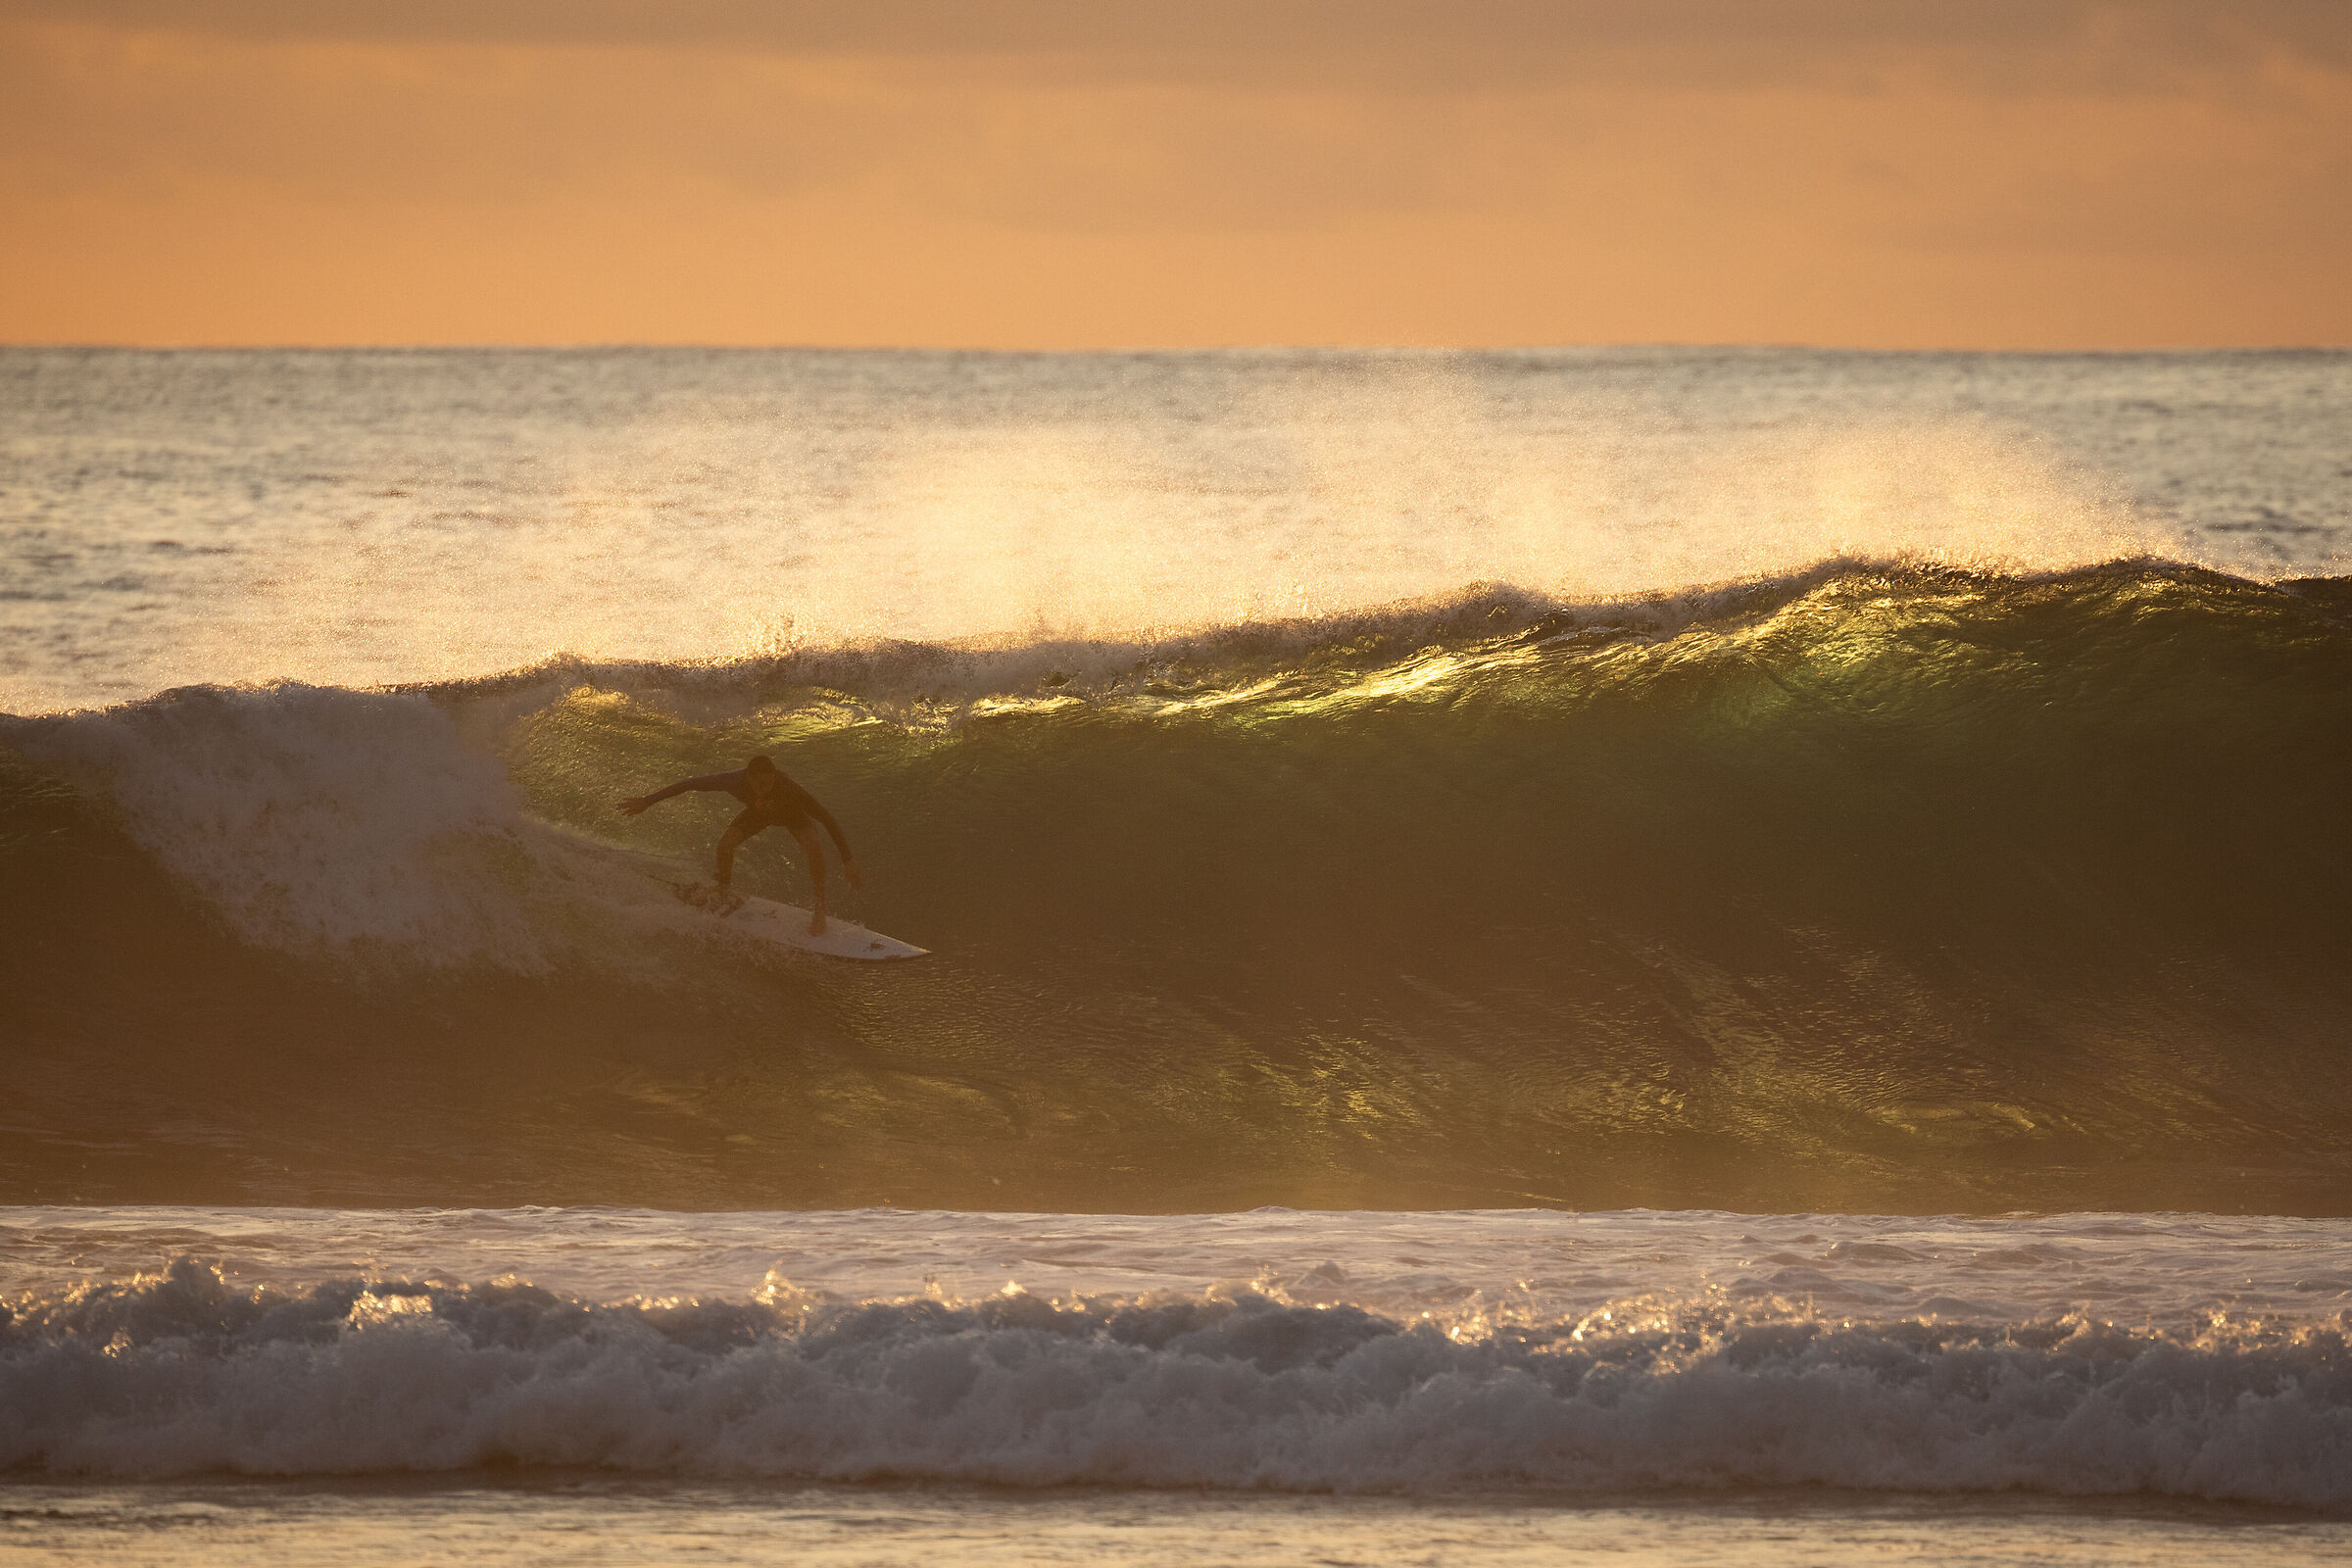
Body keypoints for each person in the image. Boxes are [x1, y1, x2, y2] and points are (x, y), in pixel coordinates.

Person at [617, 755, 862, 934]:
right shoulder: (733, 781)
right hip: (759, 815)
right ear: (749, 778)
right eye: (761, 784)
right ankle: (723, 887)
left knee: (813, 847)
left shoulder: (789, 789)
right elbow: (690, 784)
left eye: (770, 783)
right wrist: (648, 801)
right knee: (725, 845)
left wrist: (848, 860)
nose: (766, 788)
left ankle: (820, 909)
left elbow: (826, 817)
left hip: (793, 816)